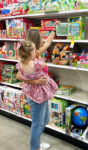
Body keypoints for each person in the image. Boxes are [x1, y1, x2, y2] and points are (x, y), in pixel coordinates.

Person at [16, 21, 60, 150]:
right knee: (37, 123)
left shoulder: (36, 53)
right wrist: (36, 82)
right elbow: (19, 76)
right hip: (35, 94)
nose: (43, 39)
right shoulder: (27, 59)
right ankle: (35, 147)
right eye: (41, 37)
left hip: (42, 92)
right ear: (35, 41)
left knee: (44, 120)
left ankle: (37, 143)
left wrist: (54, 29)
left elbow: (48, 43)